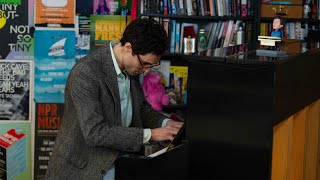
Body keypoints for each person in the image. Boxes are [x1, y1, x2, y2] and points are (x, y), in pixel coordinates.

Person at [45, 18, 184, 180]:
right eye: (144, 64)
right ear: (128, 47)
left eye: (150, 66)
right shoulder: (86, 72)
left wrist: (167, 124)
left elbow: (141, 109)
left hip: (119, 161)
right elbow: (94, 132)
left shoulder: (131, 68)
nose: (146, 71)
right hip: (83, 168)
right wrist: (151, 134)